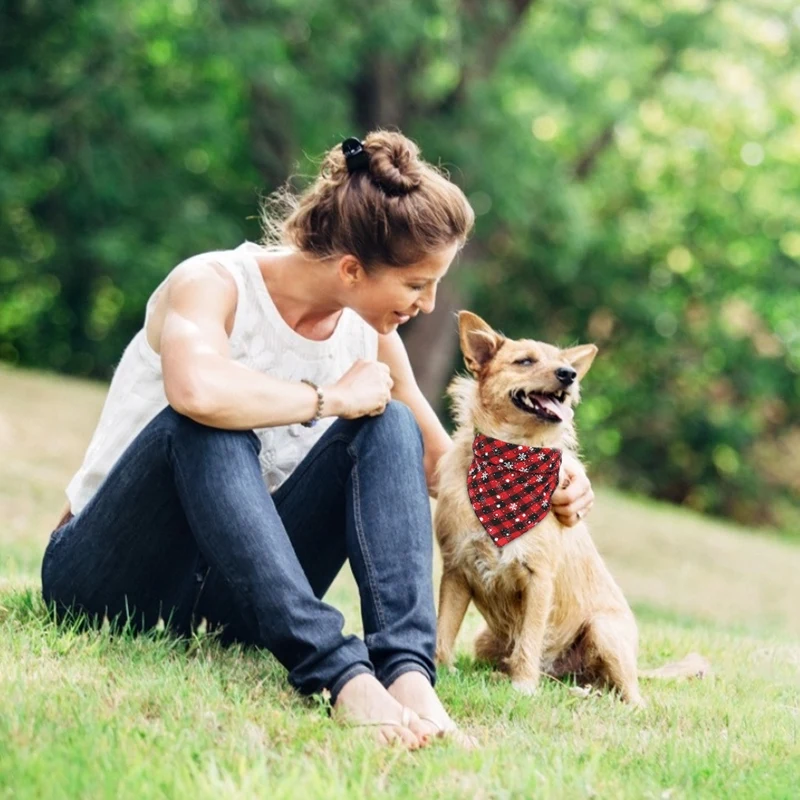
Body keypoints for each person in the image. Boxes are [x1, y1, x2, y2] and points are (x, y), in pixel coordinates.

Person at [41, 130, 594, 749]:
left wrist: (552, 477)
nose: (430, 304)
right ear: (352, 269)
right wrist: (328, 400)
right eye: (416, 285)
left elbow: (443, 467)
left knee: (389, 423)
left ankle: (409, 673)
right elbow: (195, 390)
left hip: (233, 598)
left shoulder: (368, 334)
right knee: (207, 426)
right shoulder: (212, 283)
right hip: (113, 576)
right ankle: (340, 676)